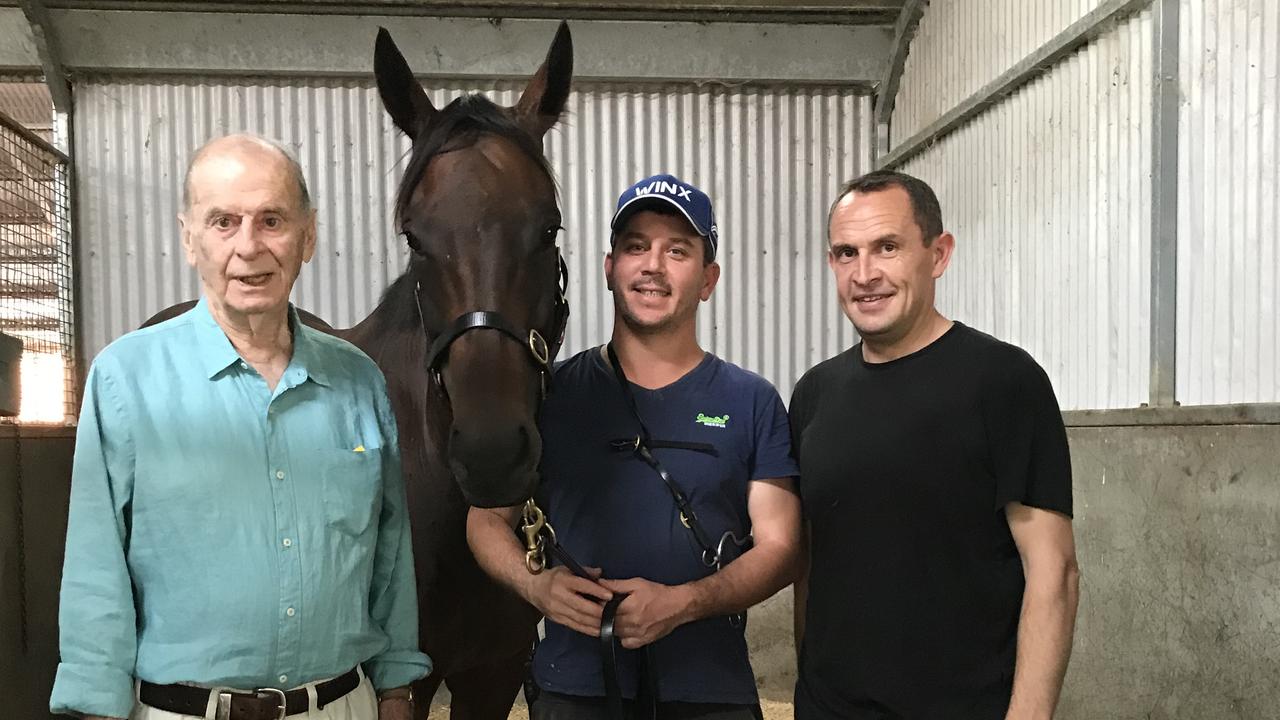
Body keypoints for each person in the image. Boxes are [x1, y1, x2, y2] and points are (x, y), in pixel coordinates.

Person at [49, 134, 430, 720]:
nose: (249, 247)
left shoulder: (360, 382)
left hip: (340, 706)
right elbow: (97, 571)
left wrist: (399, 688)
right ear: (188, 238)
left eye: (271, 220)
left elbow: (389, 553)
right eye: (223, 221)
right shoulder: (126, 380)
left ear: (308, 236)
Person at [468, 174, 802, 719]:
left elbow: (782, 546)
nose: (653, 265)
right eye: (635, 247)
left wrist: (685, 603)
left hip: (711, 694)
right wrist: (539, 588)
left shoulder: (752, 402)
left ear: (708, 278)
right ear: (609, 268)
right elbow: (484, 521)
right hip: (573, 691)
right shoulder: (548, 396)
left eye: (677, 251)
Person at [790, 169, 1081, 719]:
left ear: (938, 254)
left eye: (888, 247)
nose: (865, 273)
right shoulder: (815, 393)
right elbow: (811, 565)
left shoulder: (1004, 382)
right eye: (846, 253)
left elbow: (1055, 571)